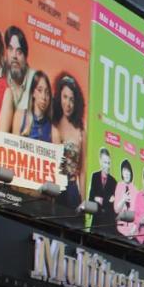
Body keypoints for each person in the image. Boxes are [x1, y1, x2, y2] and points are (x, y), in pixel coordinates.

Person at [52, 73, 85, 210]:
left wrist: (83, 200)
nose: (68, 104)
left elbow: (83, 170)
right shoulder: (53, 124)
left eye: (72, 99)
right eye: (65, 97)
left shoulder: (81, 130)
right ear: (59, 97)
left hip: (71, 189)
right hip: (52, 186)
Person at [3, 25, 33, 122]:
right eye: (11, 49)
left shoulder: (35, 81)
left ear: (25, 56)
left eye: (19, 51)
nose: (14, 56)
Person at [16, 70, 54, 142]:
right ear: (33, 92)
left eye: (47, 92)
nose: (44, 97)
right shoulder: (20, 116)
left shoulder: (53, 129)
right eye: (40, 90)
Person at [88, 148, 118, 230]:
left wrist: (99, 199)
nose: (107, 166)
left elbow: (112, 205)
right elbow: (91, 198)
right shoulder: (95, 176)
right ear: (100, 161)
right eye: (105, 162)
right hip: (96, 221)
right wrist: (106, 200)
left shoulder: (113, 182)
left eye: (109, 163)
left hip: (107, 223)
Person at [113, 159, 137, 237]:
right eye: (124, 171)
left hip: (132, 233)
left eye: (128, 171)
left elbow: (137, 215)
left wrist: (133, 231)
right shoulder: (119, 186)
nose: (126, 174)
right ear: (122, 173)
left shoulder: (135, 190)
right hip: (120, 231)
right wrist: (123, 199)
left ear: (131, 173)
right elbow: (116, 209)